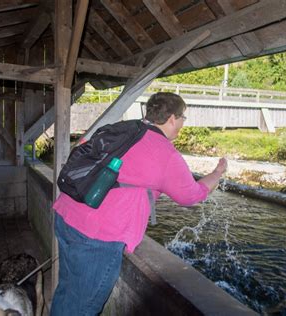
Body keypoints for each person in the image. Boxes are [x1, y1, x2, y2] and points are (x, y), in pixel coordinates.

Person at [50, 92, 227, 315]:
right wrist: (217, 173)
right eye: (183, 118)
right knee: (82, 308)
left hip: (67, 213)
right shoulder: (165, 153)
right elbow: (191, 195)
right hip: (96, 237)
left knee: (67, 291)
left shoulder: (125, 128)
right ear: (173, 118)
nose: (182, 124)